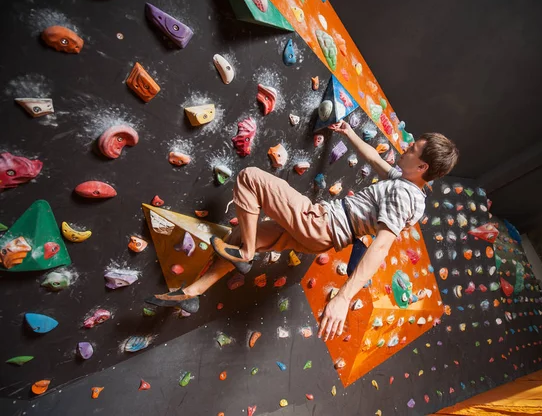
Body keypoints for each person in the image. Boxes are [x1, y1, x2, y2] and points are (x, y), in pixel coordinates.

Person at [146, 120, 459, 341]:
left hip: (323, 223)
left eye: (414, 148)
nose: (406, 146)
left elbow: (380, 247)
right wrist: (349, 133)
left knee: (250, 178)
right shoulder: (403, 183)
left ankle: (246, 254)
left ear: (422, 168)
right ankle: (193, 293)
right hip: (321, 237)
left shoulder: (404, 195)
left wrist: (344, 297)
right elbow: (375, 158)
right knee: (242, 233)